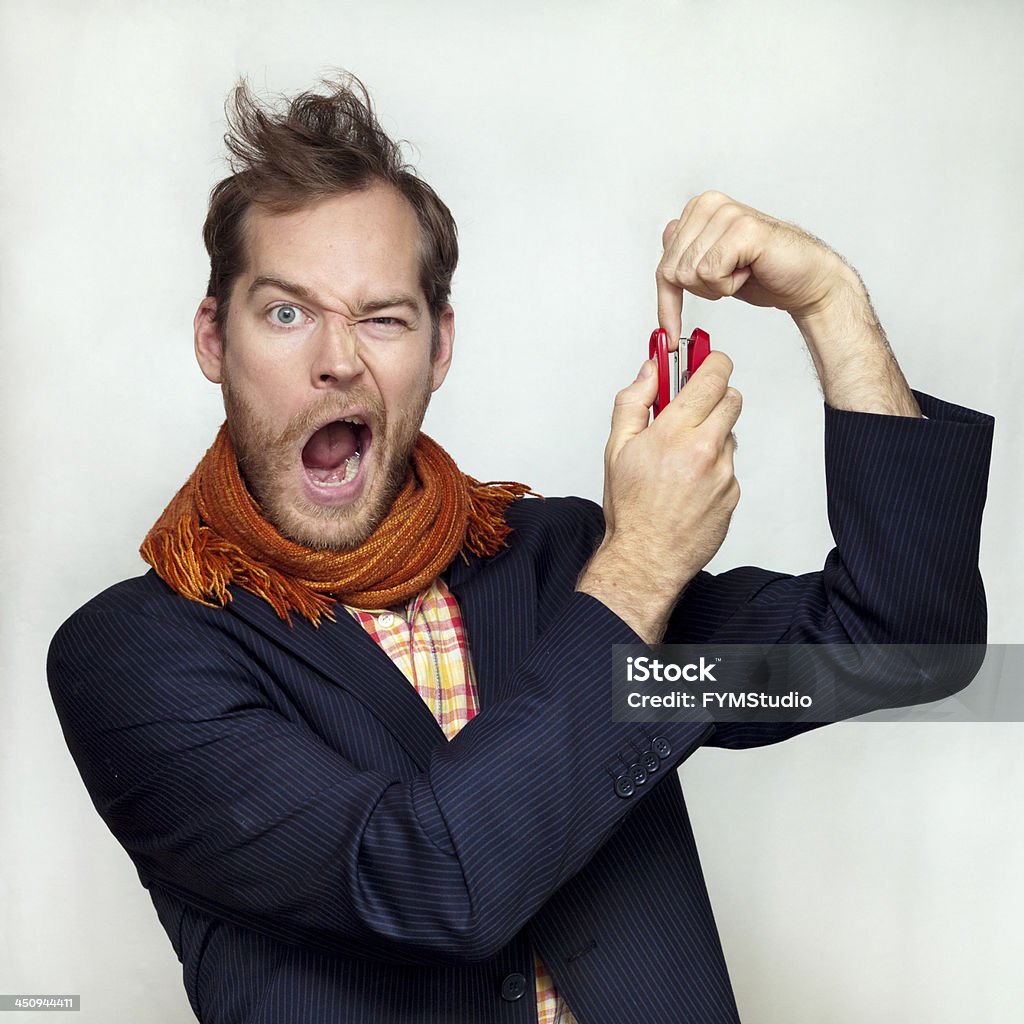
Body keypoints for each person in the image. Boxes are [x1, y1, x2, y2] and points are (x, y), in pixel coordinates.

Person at [48, 73, 993, 1024]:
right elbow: (422, 880)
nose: (338, 359)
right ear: (215, 337)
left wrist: (830, 304)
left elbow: (902, 648)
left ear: (439, 346)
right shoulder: (134, 657)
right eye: (287, 312)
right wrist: (641, 570)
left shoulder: (560, 566)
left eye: (383, 317)